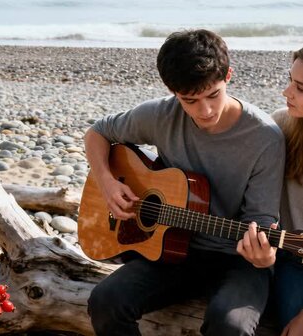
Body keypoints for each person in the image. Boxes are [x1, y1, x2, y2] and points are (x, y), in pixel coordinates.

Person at [84, 29, 285, 336]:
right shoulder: (160, 115)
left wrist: (265, 255)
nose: (204, 111)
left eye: (213, 95)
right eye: (190, 100)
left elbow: (260, 222)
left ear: (229, 75)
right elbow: (97, 133)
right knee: (105, 301)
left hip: (238, 259)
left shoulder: (265, 138)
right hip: (172, 249)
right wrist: (108, 182)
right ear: (173, 91)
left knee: (230, 326)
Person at [238, 48, 303, 336]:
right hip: (293, 259)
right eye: (290, 80)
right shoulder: (281, 125)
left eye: (300, 88)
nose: (285, 91)